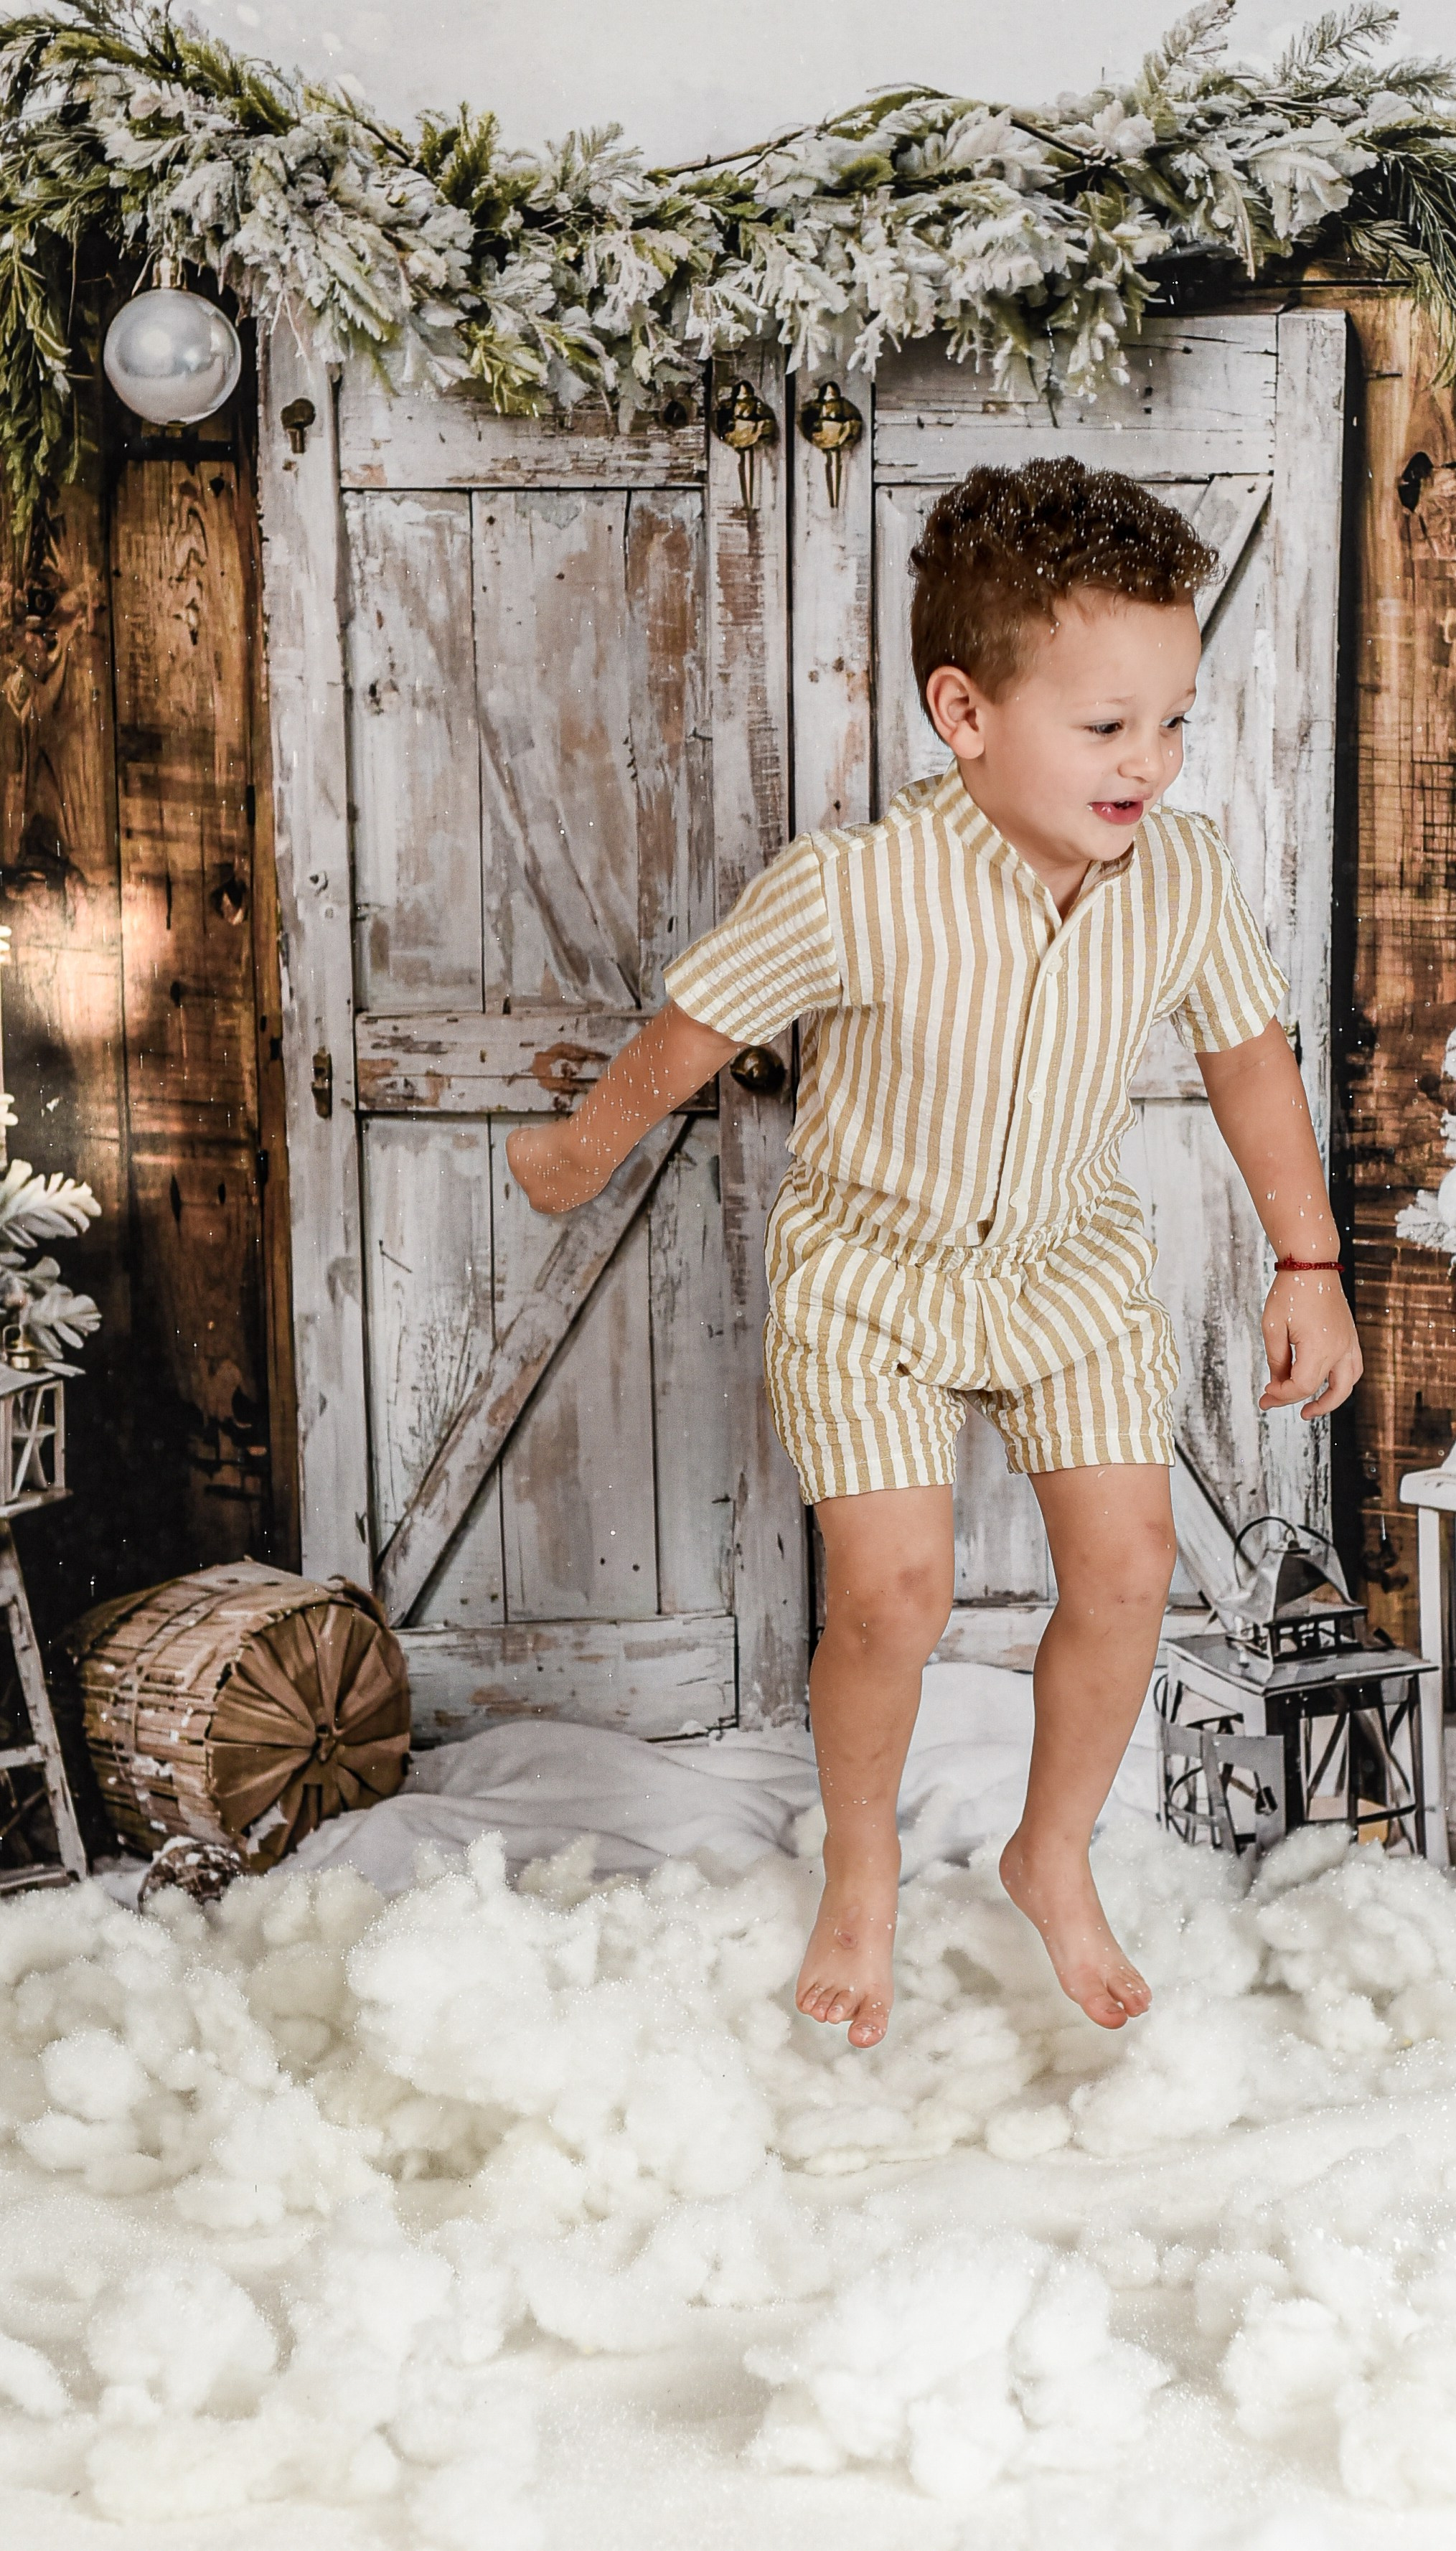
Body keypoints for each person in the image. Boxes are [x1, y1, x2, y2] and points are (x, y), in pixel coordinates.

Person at [507, 456, 1362, 2051]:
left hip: (1069, 1273)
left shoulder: (1175, 875)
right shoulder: (856, 886)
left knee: (1129, 1571)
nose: (1151, 764)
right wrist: (573, 1154)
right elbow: (692, 1031)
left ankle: (1053, 1848)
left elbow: (1250, 1057)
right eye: (1107, 727)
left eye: (1173, 720)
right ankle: (863, 1858)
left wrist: (1306, 1260)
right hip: (874, 1281)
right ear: (963, 714)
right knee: (892, 1597)